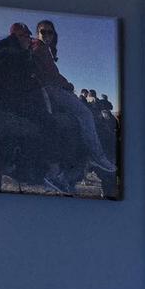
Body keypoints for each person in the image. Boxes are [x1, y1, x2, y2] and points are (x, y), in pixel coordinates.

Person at [30, 19, 115, 189]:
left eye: (49, 32)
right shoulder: (38, 47)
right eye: (43, 31)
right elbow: (51, 75)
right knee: (86, 114)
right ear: (37, 33)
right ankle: (97, 155)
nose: (46, 35)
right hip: (52, 89)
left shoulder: (42, 49)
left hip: (48, 89)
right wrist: (68, 85)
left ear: (54, 35)